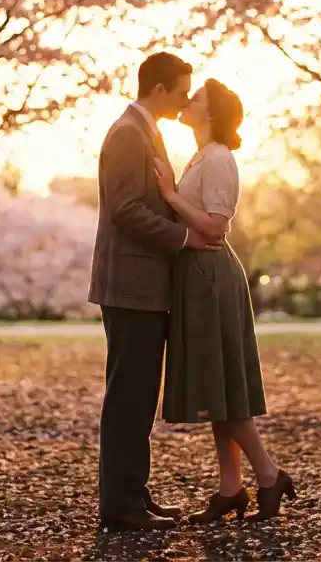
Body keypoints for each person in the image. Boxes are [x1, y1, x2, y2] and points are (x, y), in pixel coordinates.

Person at [88, 52, 221, 532]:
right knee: (128, 396)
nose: (187, 99)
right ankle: (120, 508)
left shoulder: (146, 131)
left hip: (144, 287)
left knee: (139, 396)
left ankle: (132, 495)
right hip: (130, 287)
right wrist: (185, 237)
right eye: (182, 90)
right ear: (159, 90)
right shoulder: (127, 134)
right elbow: (124, 209)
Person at [153, 78, 296, 523]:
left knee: (225, 390)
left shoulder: (218, 159)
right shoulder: (202, 156)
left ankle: (269, 476)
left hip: (210, 276)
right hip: (198, 277)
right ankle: (231, 490)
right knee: (218, 389)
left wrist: (171, 195)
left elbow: (216, 227)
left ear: (211, 113)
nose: (187, 100)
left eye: (196, 98)